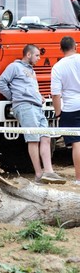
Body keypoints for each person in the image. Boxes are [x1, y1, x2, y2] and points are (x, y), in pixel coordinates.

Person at [0, 44, 64, 183]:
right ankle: (38, 174)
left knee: (45, 137)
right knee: (33, 139)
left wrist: (38, 96)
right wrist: (15, 97)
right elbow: (1, 83)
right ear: (28, 55)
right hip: (25, 107)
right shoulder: (14, 67)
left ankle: (49, 172)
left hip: (37, 107)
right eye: (37, 55)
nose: (39, 58)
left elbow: (28, 87)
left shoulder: (32, 71)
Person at [51, 36, 80, 184]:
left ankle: (79, 178)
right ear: (75, 46)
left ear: (61, 49)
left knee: (77, 143)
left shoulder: (58, 67)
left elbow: (56, 94)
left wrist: (58, 113)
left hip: (71, 107)